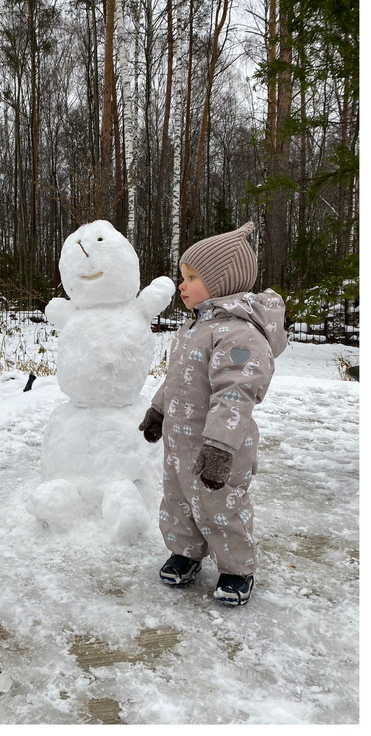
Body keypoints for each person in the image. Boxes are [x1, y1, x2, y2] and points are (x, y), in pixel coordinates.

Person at [137, 222, 287, 606]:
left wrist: (220, 447)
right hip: (180, 440)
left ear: (221, 283)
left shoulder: (239, 334)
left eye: (191, 277)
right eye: (182, 277)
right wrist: (158, 409)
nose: (182, 286)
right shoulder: (195, 326)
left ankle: (237, 569)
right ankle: (186, 552)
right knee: (178, 500)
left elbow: (236, 394)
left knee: (221, 506)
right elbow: (179, 378)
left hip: (220, 446)